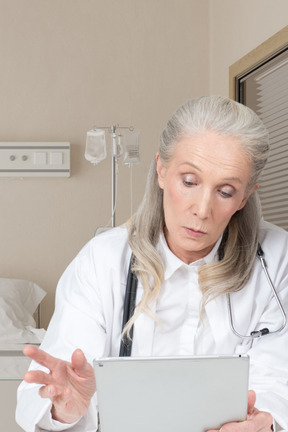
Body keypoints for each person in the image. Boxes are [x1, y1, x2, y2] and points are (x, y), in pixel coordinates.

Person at [16, 95, 288, 432]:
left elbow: (278, 378)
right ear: (161, 169)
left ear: (245, 197)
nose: (202, 209)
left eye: (226, 191)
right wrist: (68, 408)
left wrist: (268, 422)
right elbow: (58, 381)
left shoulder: (276, 260)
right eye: (189, 182)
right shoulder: (103, 260)